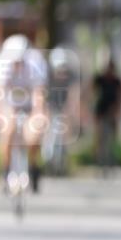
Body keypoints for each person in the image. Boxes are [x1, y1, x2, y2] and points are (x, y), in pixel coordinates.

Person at [0, 34, 49, 193]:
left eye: (20, 61)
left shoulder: (36, 63)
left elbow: (39, 93)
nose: (17, 64)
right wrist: (0, 114)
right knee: (7, 131)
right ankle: (5, 172)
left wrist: (39, 114)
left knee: (33, 136)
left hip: (30, 104)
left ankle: (33, 166)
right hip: (10, 104)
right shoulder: (1, 65)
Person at [44, 47, 78, 175]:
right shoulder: (47, 77)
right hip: (51, 106)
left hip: (63, 107)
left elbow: (73, 95)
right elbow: (43, 95)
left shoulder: (71, 77)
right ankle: (47, 156)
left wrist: (70, 110)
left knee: (64, 132)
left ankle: (63, 159)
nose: (61, 72)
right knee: (48, 130)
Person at [92, 58, 121, 173]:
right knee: (100, 138)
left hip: (112, 113)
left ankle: (110, 161)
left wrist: (118, 111)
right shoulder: (99, 80)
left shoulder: (117, 82)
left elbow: (120, 97)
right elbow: (92, 92)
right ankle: (99, 162)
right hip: (100, 112)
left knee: (110, 139)